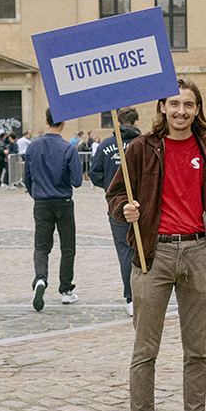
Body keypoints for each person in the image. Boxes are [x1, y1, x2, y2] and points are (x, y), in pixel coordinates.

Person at [106, 77, 206, 411]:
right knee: (145, 349)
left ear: (198, 110)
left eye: (189, 105)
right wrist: (123, 210)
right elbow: (116, 194)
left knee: (197, 348)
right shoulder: (141, 149)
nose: (181, 111)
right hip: (153, 256)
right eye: (174, 104)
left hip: (199, 252)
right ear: (162, 106)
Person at [24, 109, 83, 311]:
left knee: (41, 246)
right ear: (63, 122)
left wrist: (37, 193)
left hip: (41, 203)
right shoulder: (69, 148)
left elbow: (27, 178)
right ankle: (66, 290)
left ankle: (40, 279)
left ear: (46, 121)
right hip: (63, 202)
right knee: (67, 247)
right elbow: (77, 181)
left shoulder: (33, 146)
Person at [89, 107, 142, 317]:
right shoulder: (144, 142)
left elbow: (94, 173)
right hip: (142, 206)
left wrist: (111, 188)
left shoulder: (106, 145)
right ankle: (144, 296)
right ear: (136, 122)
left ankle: (131, 298)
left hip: (118, 208)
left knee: (125, 252)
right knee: (145, 250)